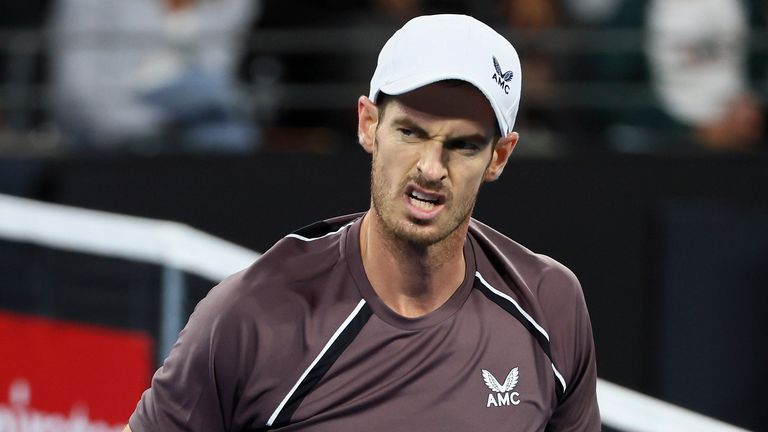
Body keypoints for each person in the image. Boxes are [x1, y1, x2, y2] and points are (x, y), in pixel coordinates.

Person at [125, 14, 600, 431]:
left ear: (499, 157)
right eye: (410, 132)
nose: (431, 169)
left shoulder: (550, 304)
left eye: (463, 146)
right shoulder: (251, 314)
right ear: (368, 124)